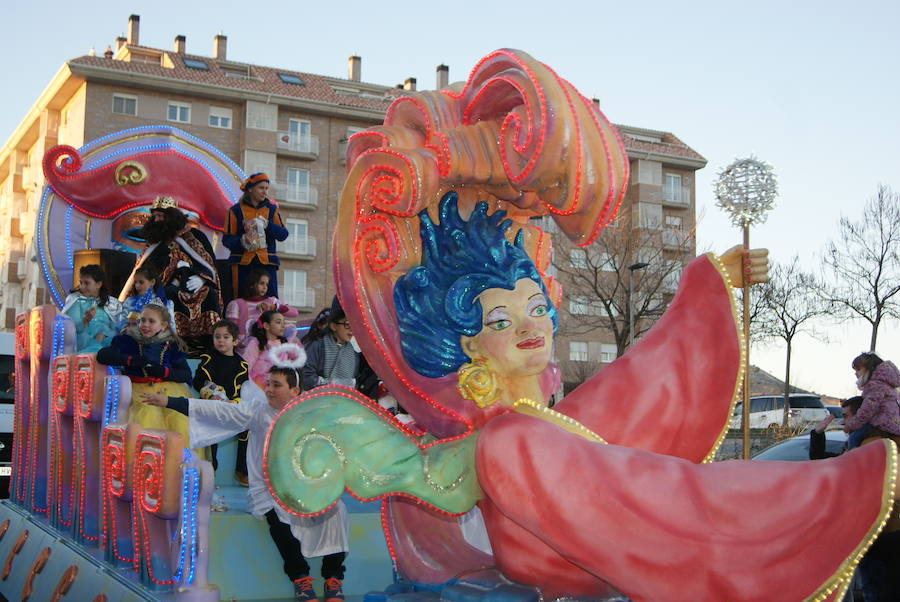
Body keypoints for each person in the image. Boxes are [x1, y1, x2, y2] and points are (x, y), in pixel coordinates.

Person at [140, 347, 349, 602]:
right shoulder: (258, 412)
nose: (269, 390)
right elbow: (218, 412)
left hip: (303, 487)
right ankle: (301, 579)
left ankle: (333, 578)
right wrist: (171, 402)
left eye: (277, 385)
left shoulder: (310, 417)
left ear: (295, 391)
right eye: (268, 384)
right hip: (269, 488)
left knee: (337, 510)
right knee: (279, 520)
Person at [96, 303, 202, 457]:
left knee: (180, 423)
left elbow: (185, 375)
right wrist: (131, 360)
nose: (145, 325)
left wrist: (164, 372)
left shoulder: (171, 345)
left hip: (165, 391)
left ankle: (173, 467)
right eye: (142, 320)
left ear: (163, 325)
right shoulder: (127, 341)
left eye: (151, 321)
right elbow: (103, 356)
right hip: (137, 393)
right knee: (145, 421)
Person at [121, 196, 223, 351]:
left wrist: (202, 278)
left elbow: (208, 264)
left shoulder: (193, 236)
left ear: (171, 217)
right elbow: (143, 270)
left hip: (193, 284)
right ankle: (174, 342)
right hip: (162, 286)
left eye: (161, 216)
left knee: (207, 293)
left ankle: (205, 342)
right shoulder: (154, 243)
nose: (157, 220)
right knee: (167, 294)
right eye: (155, 216)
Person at [192, 320, 248, 476]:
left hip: (232, 407)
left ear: (235, 341)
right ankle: (210, 469)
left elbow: (243, 389)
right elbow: (198, 381)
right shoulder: (208, 360)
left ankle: (242, 471)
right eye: (217, 337)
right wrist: (211, 395)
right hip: (212, 405)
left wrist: (234, 402)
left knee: (249, 426)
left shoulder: (242, 365)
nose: (221, 340)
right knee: (210, 429)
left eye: (226, 337)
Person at [223, 173, 289, 299]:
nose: (264, 192)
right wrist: (242, 241)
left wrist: (267, 225)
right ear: (250, 188)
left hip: (266, 263)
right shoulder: (235, 211)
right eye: (261, 188)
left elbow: (283, 235)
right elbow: (227, 239)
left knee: (270, 302)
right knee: (239, 300)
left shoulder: (272, 209)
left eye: (266, 188)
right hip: (242, 264)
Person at [301, 296, 378, 398]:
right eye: (347, 324)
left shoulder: (353, 353)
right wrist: (334, 385)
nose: (351, 330)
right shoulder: (317, 346)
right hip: (317, 403)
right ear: (333, 326)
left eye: (353, 325)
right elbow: (306, 378)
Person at [225, 268, 298, 343]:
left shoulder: (272, 301)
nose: (265, 287)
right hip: (245, 347)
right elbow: (231, 329)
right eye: (261, 283)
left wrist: (273, 307)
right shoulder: (236, 304)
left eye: (266, 284)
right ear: (252, 284)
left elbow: (294, 313)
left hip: (269, 346)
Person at [62, 264, 125, 352]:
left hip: (106, 343)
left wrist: (104, 334)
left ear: (98, 284)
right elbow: (71, 328)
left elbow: (118, 328)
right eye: (81, 282)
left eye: (87, 283)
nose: (82, 287)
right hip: (83, 343)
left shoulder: (111, 303)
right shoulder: (75, 300)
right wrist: (85, 320)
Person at [844, 352, 900, 447]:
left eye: (858, 369)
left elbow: (866, 411)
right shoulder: (889, 385)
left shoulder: (874, 385)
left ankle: (852, 459)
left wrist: (851, 424)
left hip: (883, 425)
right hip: (894, 425)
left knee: (854, 437)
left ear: (869, 369)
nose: (856, 373)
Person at [242, 310, 301, 388]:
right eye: (278, 322)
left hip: (280, 384)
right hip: (259, 386)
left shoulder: (284, 343)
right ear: (266, 325)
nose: (283, 326)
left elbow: (296, 358)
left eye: (284, 323)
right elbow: (246, 365)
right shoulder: (257, 343)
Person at [121, 265, 174, 330]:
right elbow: (121, 324)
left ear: (152, 282)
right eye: (135, 282)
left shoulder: (166, 303)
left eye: (141, 282)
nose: (137, 286)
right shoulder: (129, 302)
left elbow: (171, 330)